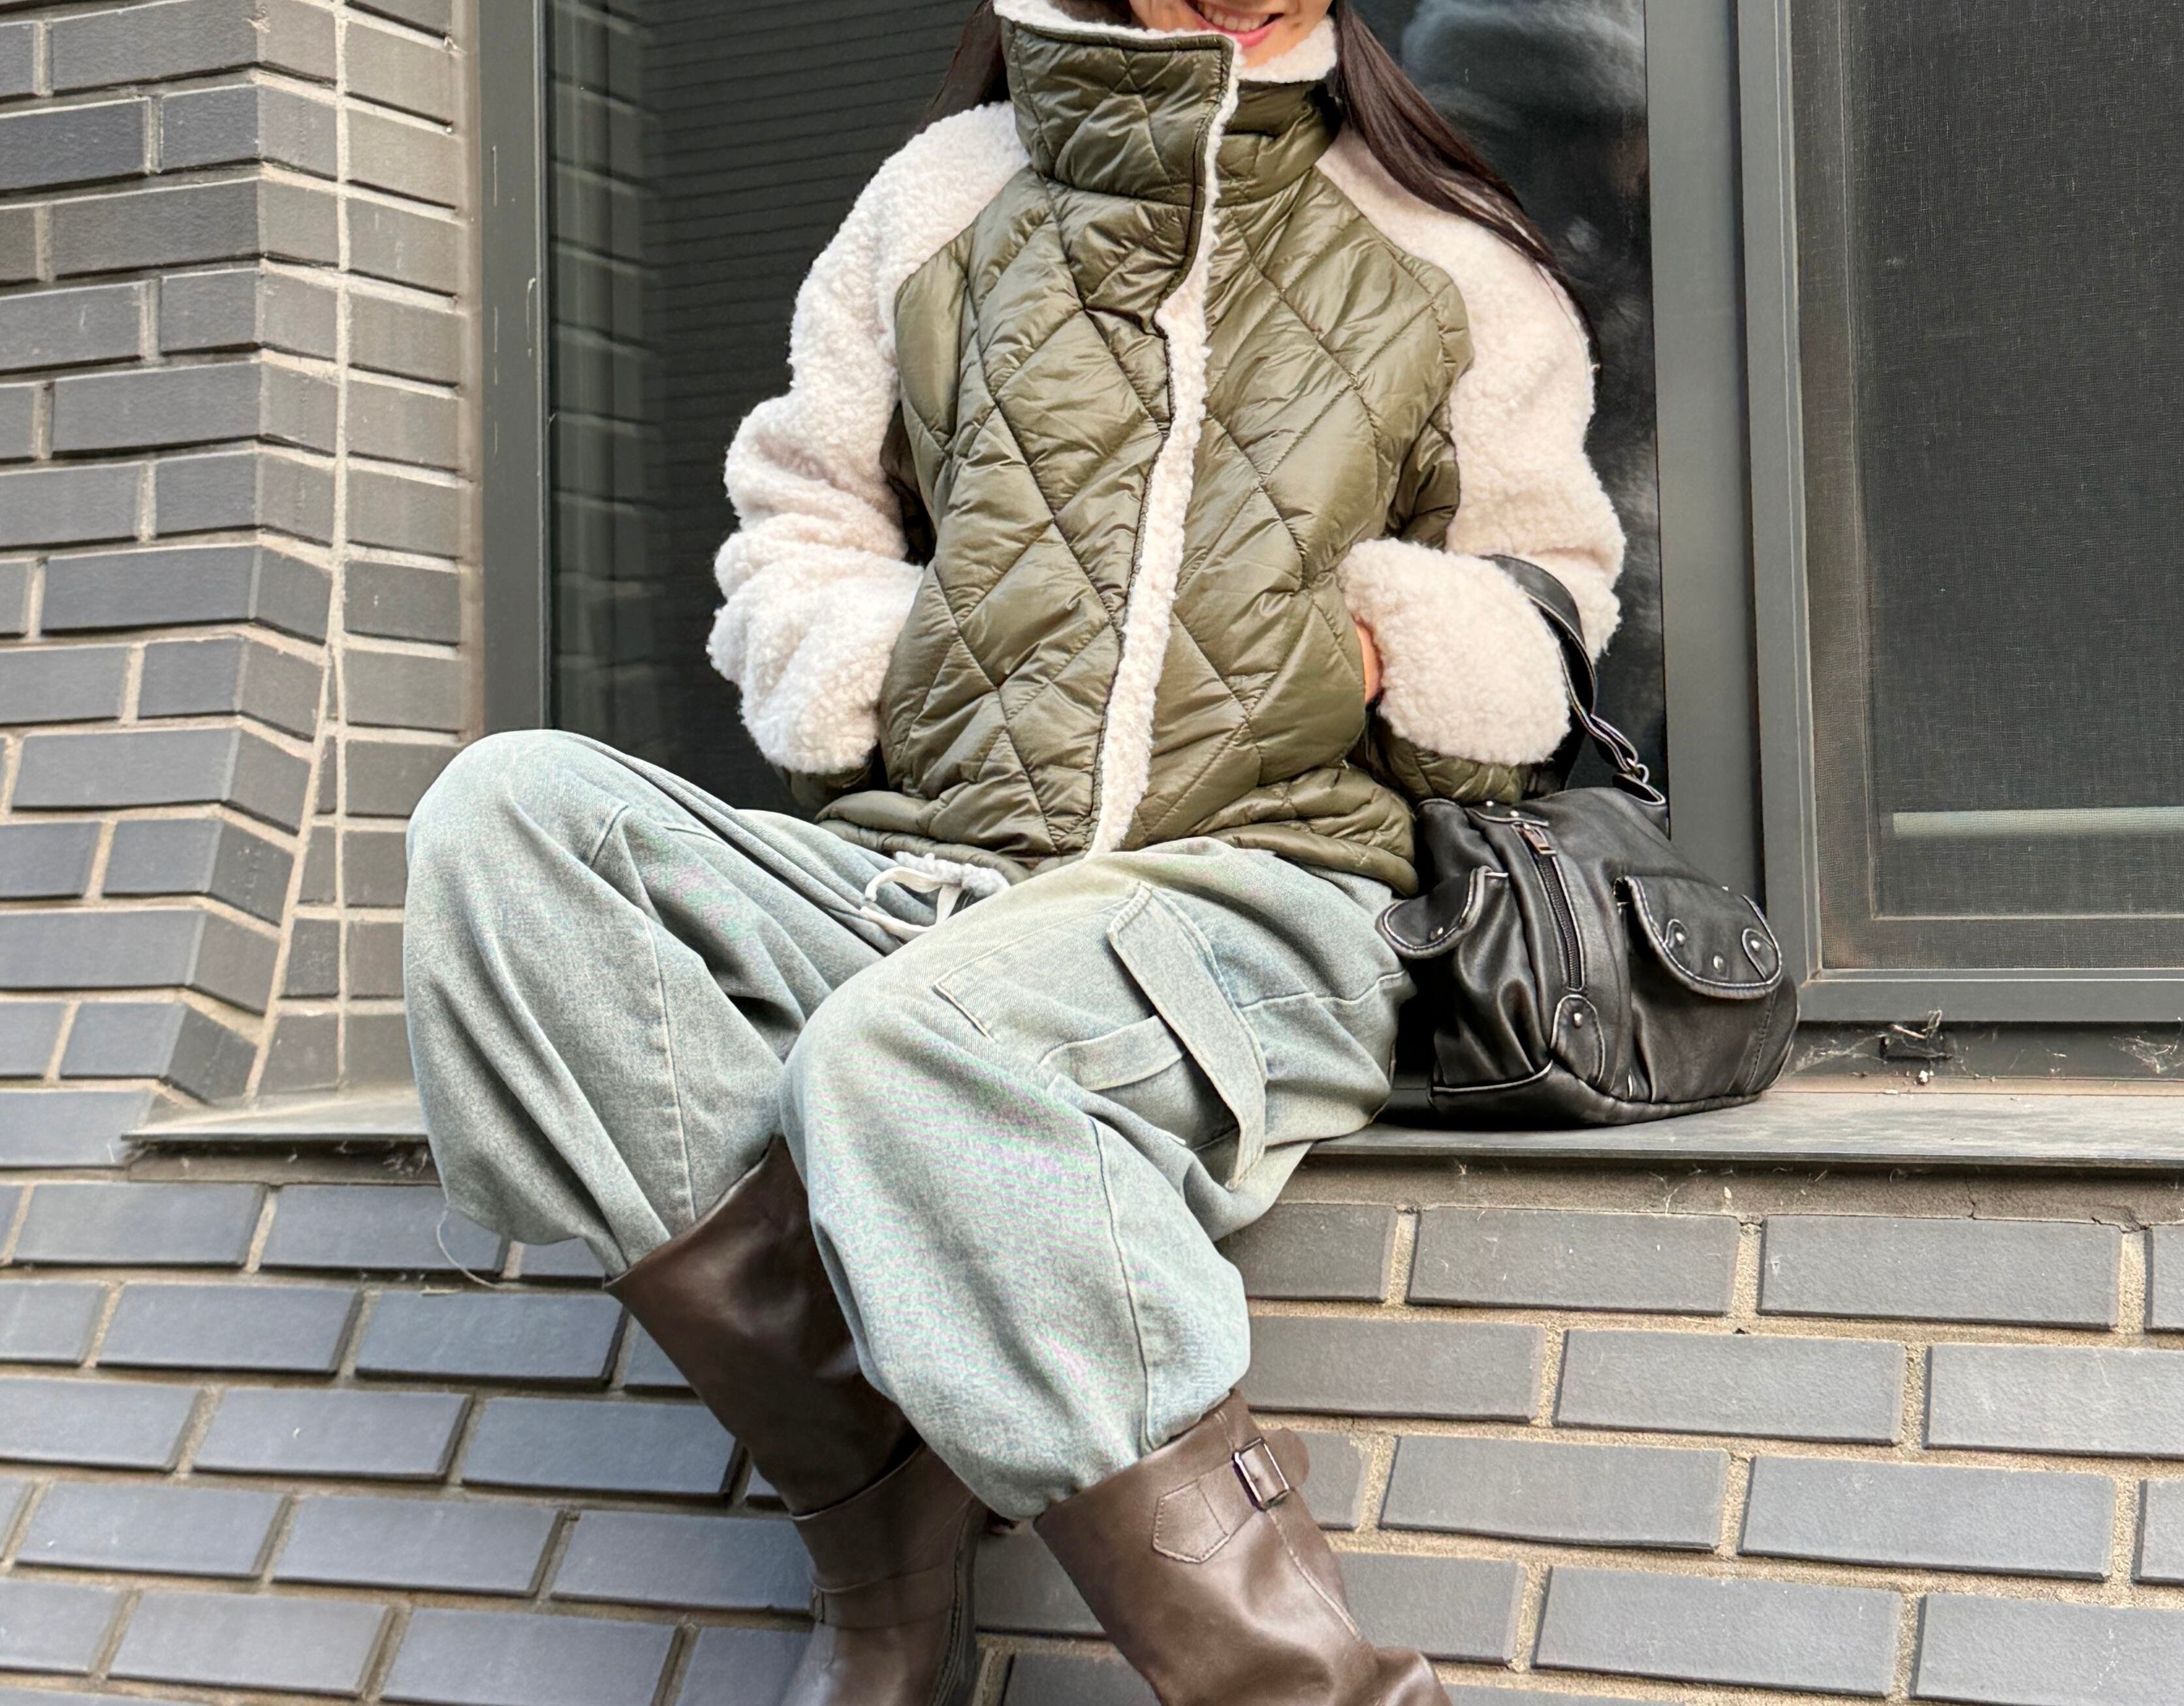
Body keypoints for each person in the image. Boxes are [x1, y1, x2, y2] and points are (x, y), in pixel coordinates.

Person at [403, 1, 1624, 1701]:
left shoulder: (1451, 252)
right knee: (509, 820)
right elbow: (803, 518)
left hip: (1271, 896)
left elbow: (1550, 599)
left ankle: (1301, 1686)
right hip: (940, 873)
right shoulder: (938, 200)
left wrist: (1382, 644)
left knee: (919, 1050)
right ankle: (881, 1498)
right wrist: (890, 656)